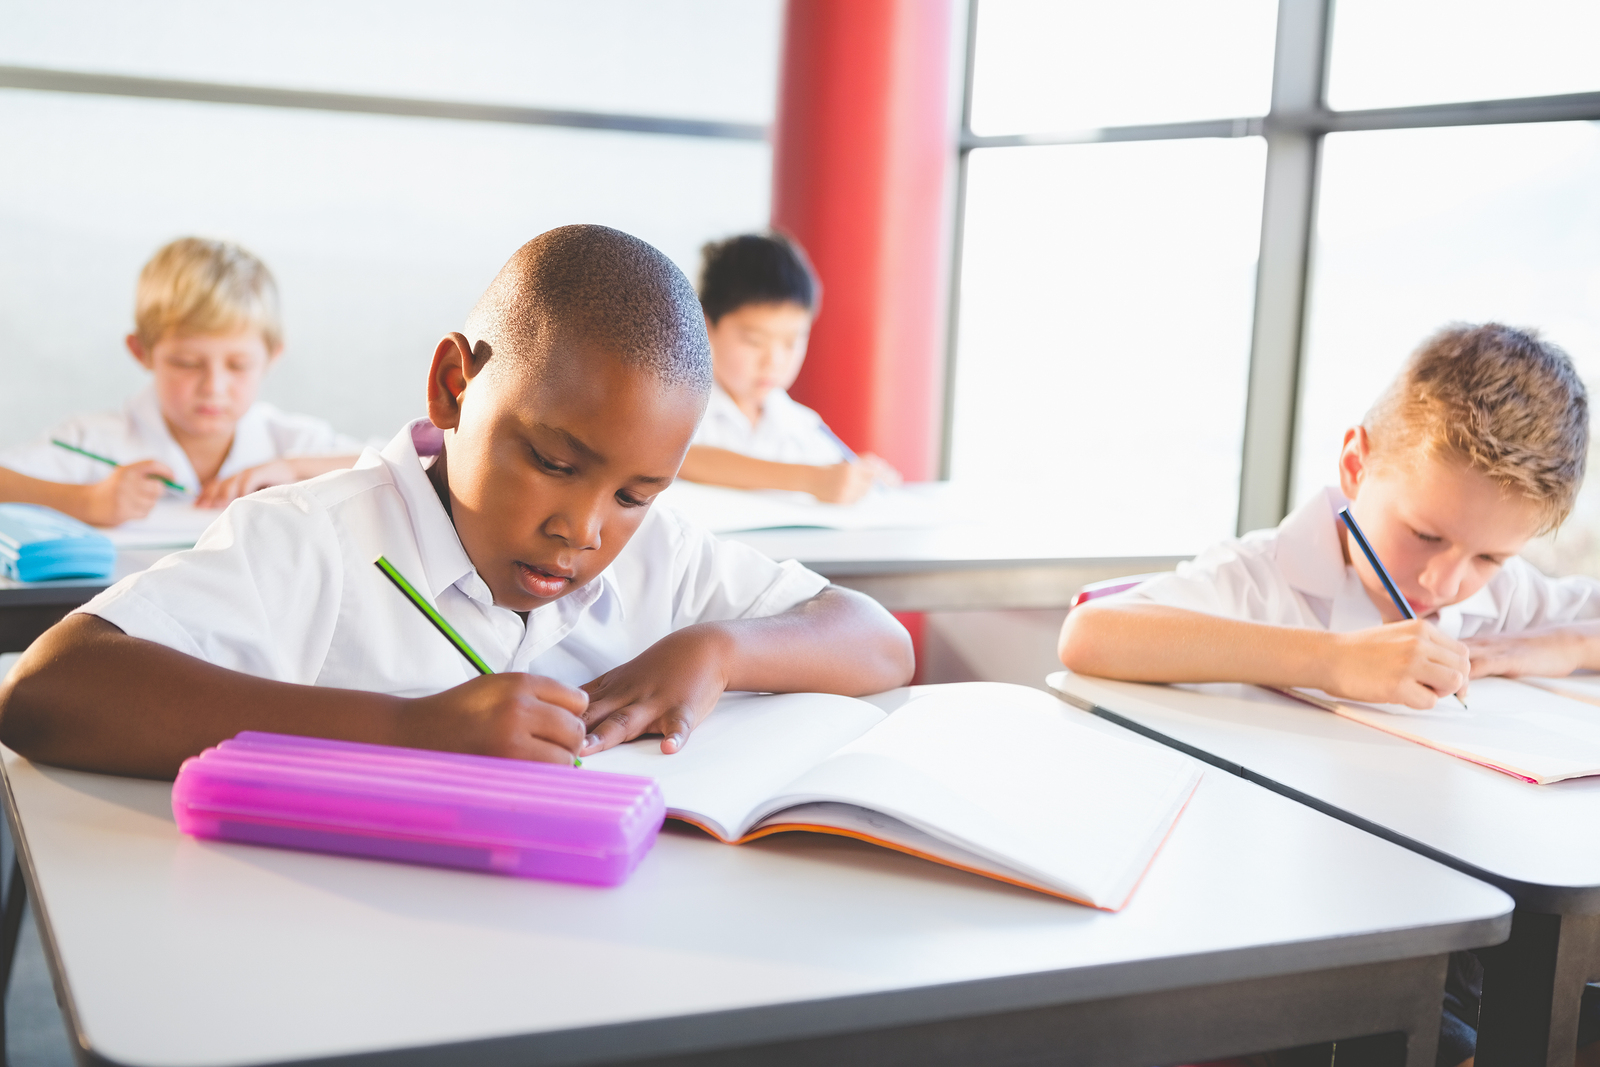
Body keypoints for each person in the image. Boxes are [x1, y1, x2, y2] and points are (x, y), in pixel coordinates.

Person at [0, 225, 914, 781]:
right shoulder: (321, 540)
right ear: (452, 387)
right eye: (554, 461)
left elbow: (880, 639)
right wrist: (406, 730)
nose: (584, 530)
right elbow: (48, 689)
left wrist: (721, 646)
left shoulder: (658, 556)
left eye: (636, 492)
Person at [1059, 322, 1600, 1067]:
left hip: (1451, 917)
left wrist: (1556, 645)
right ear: (1356, 464)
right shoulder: (1266, 576)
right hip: (1288, 928)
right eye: (1424, 535)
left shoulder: (1498, 598)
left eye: (1490, 555)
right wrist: (1334, 660)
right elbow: (1092, 633)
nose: (1446, 583)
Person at [0, 237, 362, 526]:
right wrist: (88, 502)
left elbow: (410, 460)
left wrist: (294, 469)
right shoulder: (93, 442)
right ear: (141, 351)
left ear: (272, 357)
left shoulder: (294, 443)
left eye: (238, 365)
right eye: (186, 363)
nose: (213, 386)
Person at [676, 232, 900, 504]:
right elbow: (680, 458)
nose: (774, 361)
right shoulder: (677, 405)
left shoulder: (803, 425)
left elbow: (837, 475)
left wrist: (861, 480)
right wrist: (810, 479)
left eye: (791, 342)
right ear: (706, 325)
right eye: (754, 341)